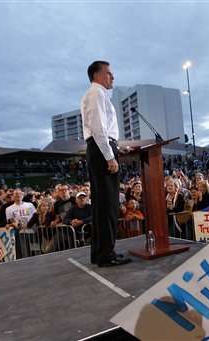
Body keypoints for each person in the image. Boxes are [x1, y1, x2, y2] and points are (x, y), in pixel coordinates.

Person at [81, 60, 130, 267]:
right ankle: (106, 253)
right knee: (107, 204)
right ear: (98, 75)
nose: (112, 77)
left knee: (102, 204)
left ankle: (101, 252)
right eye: (109, 73)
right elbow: (99, 128)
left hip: (101, 148)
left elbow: (103, 130)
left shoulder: (96, 94)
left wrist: (117, 148)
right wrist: (110, 156)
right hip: (102, 152)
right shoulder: (96, 93)